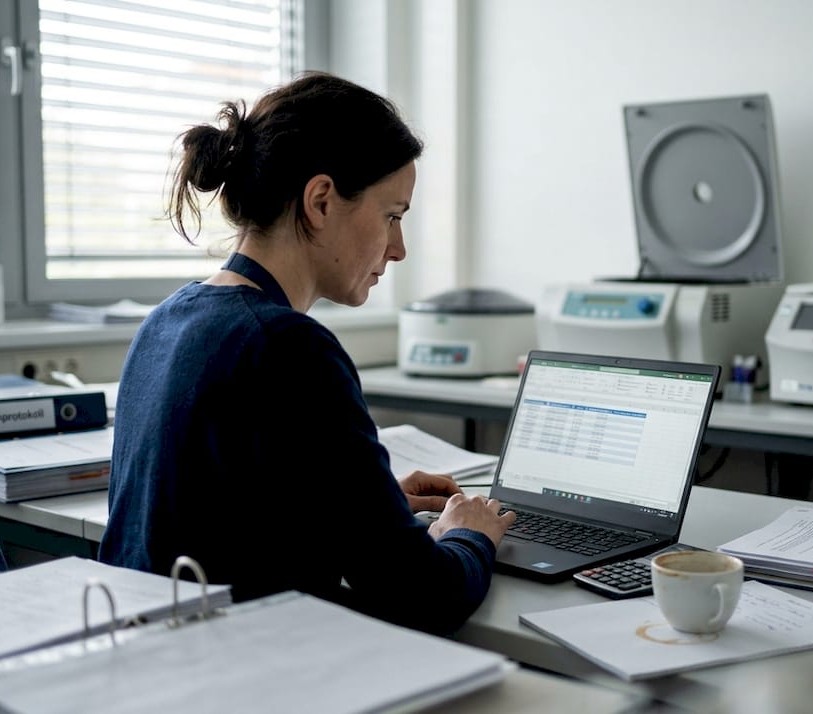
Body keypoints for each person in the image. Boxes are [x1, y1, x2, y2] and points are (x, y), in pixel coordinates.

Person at [98, 72, 515, 635]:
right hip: (238, 664)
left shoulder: (167, 320)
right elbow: (423, 596)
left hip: (150, 654)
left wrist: (366, 509)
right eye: (392, 216)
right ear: (321, 201)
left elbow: (219, 518)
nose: (398, 249)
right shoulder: (289, 347)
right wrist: (469, 534)